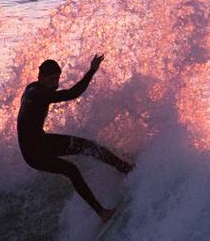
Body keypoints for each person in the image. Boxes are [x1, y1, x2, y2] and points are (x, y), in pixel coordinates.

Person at [17, 54, 133, 222]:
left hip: (42, 142)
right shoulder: (37, 94)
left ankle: (126, 168)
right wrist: (91, 71)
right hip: (33, 153)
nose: (54, 83)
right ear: (40, 77)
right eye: (51, 79)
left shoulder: (36, 89)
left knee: (88, 146)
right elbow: (72, 93)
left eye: (57, 79)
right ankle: (102, 213)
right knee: (71, 169)